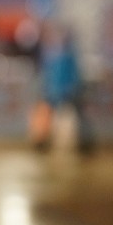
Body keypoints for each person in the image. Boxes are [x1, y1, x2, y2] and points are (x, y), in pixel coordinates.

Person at [32, 19, 95, 153]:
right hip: (59, 91)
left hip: (63, 91)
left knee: (77, 116)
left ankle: (85, 143)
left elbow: (70, 73)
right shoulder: (58, 53)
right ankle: (42, 142)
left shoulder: (62, 53)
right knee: (49, 114)